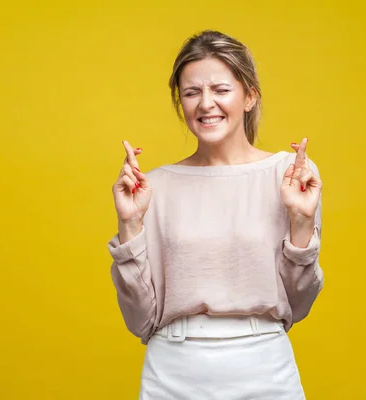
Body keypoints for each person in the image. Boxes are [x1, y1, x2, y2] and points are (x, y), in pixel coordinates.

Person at [107, 30, 324, 399]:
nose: (206, 104)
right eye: (192, 93)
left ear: (249, 96)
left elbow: (298, 304)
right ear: (181, 102)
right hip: (173, 371)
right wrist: (130, 224)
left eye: (221, 90)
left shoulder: (287, 175)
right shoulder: (153, 187)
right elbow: (140, 319)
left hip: (264, 368)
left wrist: (301, 222)